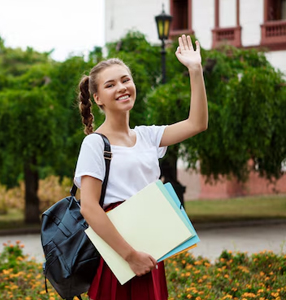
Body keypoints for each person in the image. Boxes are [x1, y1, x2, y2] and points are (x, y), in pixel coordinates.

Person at [73, 35, 208, 300]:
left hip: (150, 246)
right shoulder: (94, 144)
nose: (122, 87)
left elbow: (197, 123)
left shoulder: (147, 136)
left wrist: (195, 70)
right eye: (111, 84)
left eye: (126, 80)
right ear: (98, 98)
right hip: (119, 253)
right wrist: (130, 256)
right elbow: (88, 207)